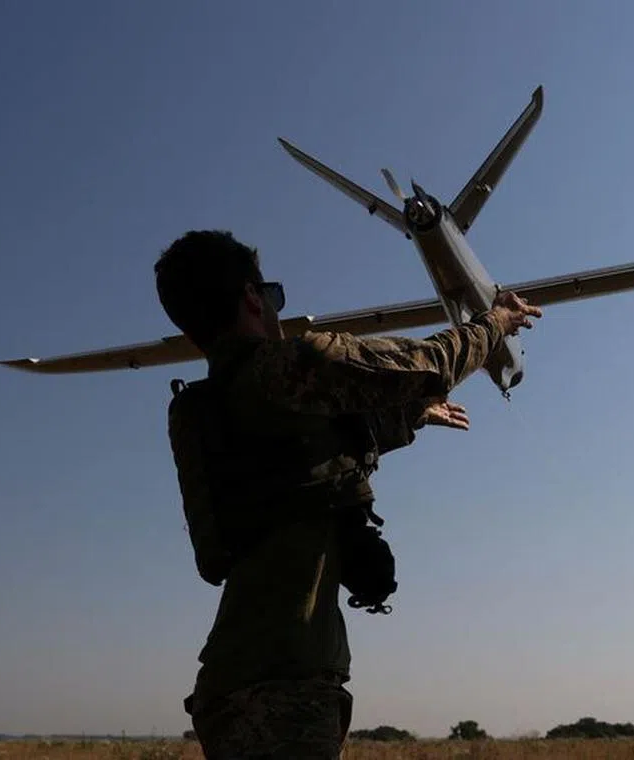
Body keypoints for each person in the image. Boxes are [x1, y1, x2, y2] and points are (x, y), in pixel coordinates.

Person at [153, 230, 541, 759]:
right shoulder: (288, 367)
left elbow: (303, 470)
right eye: (273, 297)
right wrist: (494, 323)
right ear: (251, 297)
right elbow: (427, 365)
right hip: (282, 691)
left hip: (235, 684)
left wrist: (407, 417)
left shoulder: (212, 410)